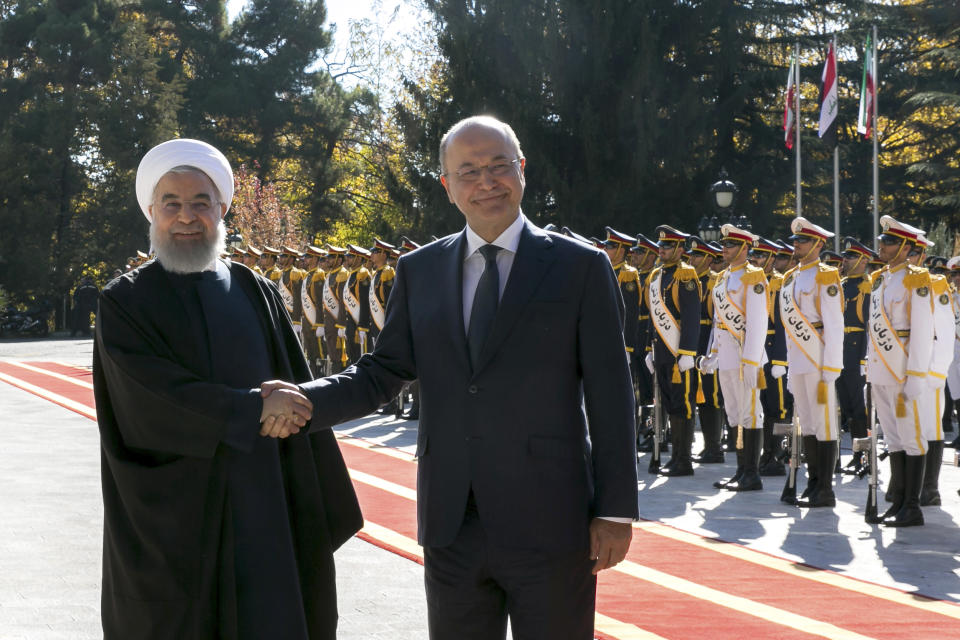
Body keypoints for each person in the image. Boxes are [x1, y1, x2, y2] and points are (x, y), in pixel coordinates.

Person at [271, 116, 638, 639]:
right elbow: (383, 369)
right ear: (447, 186)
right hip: (452, 523)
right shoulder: (420, 271)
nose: (486, 182)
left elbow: (610, 394)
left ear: (522, 170)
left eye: (498, 166)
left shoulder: (581, 267)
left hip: (552, 522)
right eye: (468, 171)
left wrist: (617, 511)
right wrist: (306, 401)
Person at [92, 138, 362, 639]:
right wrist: (252, 409)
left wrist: (293, 408)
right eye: (171, 203)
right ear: (151, 211)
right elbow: (149, 398)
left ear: (223, 210)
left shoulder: (253, 289)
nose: (186, 216)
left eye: (201, 203)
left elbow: (296, 386)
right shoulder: (125, 301)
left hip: (264, 504)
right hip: (176, 519)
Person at [866, 215, 935, 526]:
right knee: (893, 437)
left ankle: (912, 506)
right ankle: (898, 503)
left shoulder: (917, 279)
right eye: (882, 240)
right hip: (881, 370)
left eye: (890, 241)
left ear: (906, 247)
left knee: (911, 437)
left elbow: (922, 331)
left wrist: (917, 375)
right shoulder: (881, 279)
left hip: (902, 369)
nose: (883, 245)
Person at [779, 217, 844, 508]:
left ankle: (826, 489)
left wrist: (831, 366)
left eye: (803, 241)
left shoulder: (826, 276)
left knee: (824, 424)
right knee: (807, 424)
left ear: (818, 245)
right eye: (795, 241)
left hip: (818, 359)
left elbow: (833, 325)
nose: (797, 245)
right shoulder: (791, 277)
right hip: (799, 360)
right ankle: (813, 482)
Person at [700, 224, 768, 492]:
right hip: (726, 356)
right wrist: (712, 354)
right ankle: (740, 470)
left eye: (729, 245)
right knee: (734, 413)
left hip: (744, 357)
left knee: (750, 413)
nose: (724, 249)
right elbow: (719, 321)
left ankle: (752, 473)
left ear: (744, 248)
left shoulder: (754, 277)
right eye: (724, 244)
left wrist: (751, 360)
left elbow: (758, 322)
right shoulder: (722, 278)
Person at [645, 225, 701, 477]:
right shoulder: (656, 275)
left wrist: (688, 352)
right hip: (661, 352)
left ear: (680, 249)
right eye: (661, 246)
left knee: (683, 405)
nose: (662, 250)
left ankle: (683, 459)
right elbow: (651, 318)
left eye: (668, 246)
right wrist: (649, 348)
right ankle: (675, 457)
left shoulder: (686, 275)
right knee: (668, 404)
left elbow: (691, 318)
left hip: (678, 352)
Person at [837, 237, 874, 475]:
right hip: (840, 352)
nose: (846, 260)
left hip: (856, 351)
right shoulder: (840, 284)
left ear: (863, 261)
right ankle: (856, 455)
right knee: (848, 408)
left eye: (851, 257)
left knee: (861, 408)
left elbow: (870, 325)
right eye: (846, 256)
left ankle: (866, 457)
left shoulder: (867, 287)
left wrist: (864, 359)